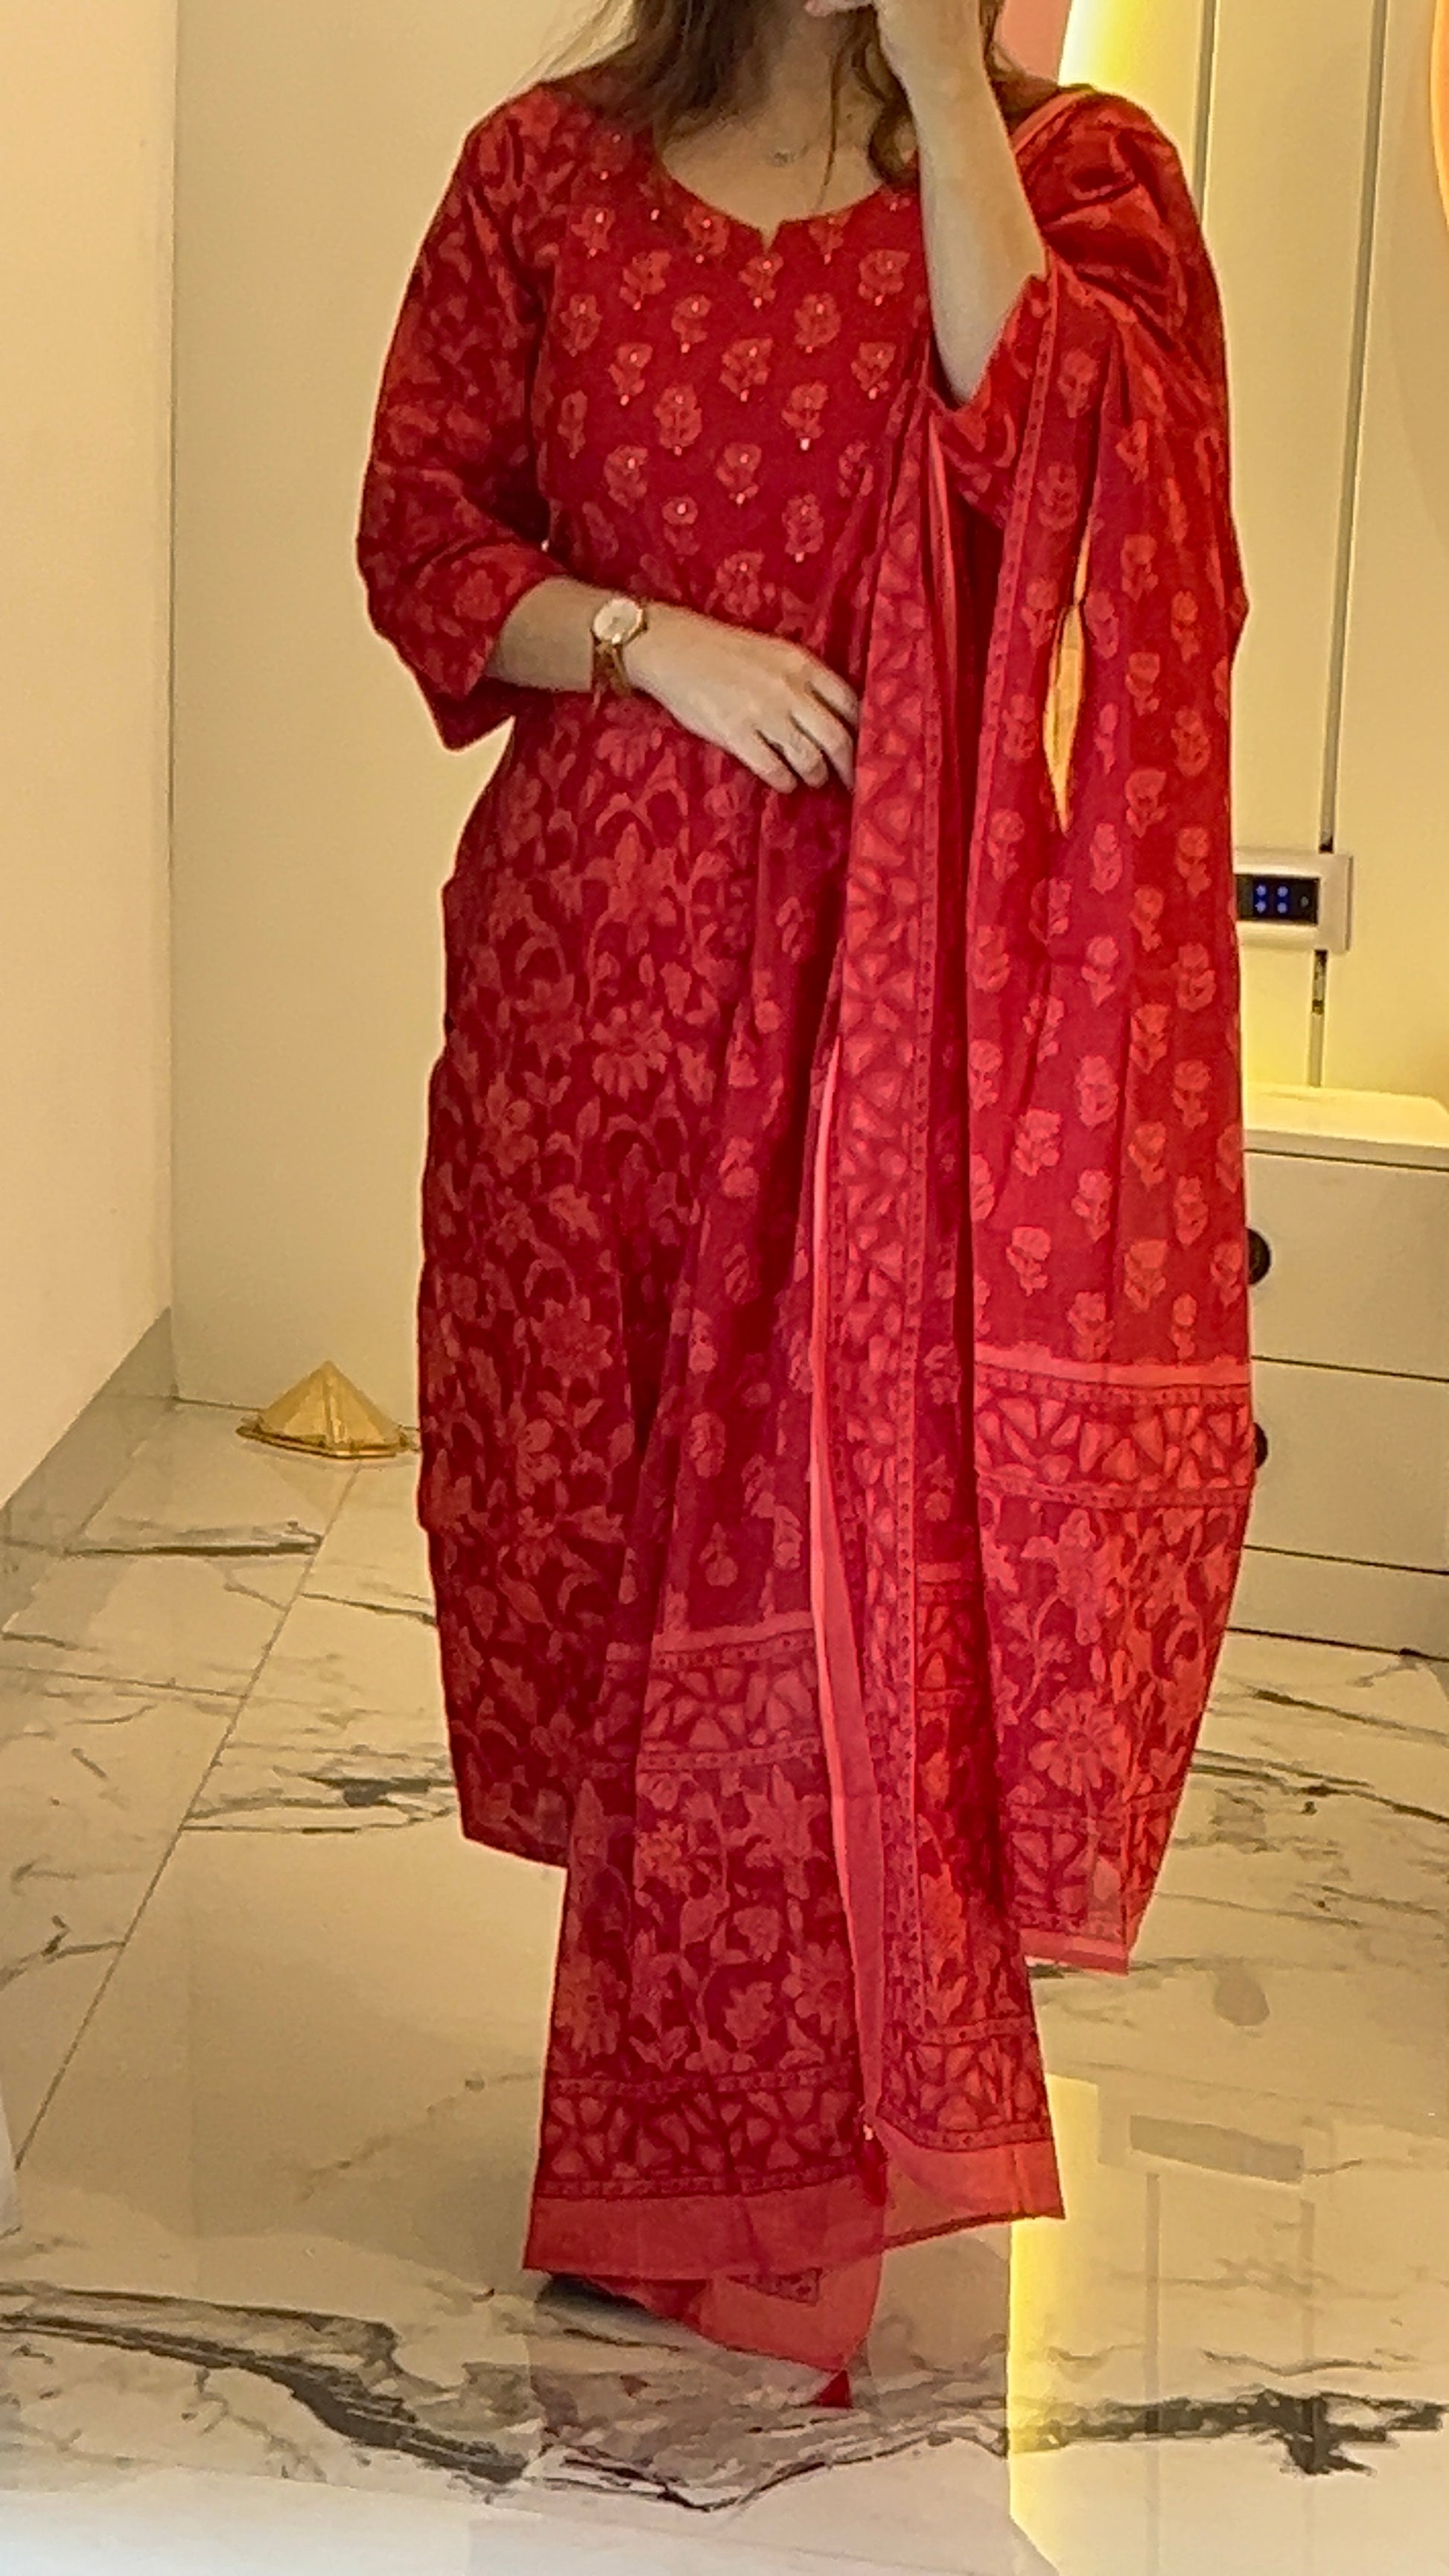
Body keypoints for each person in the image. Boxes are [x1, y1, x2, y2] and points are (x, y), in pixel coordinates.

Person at [357, 0, 1257, 2377]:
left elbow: (1078, 477)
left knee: (842, 1548)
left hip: (910, 1008)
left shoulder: (1081, 177)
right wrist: (651, 643)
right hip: (591, 987)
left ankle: (730, 2168)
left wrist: (945, 81)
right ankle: (714, 2121)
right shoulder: (542, 174)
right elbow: (423, 534)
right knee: (622, 1541)